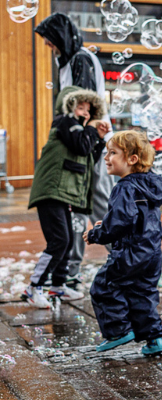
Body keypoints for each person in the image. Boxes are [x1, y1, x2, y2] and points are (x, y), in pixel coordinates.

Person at [35, 13, 113, 290]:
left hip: (88, 144)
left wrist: (86, 139)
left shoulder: (80, 59)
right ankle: (70, 270)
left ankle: (123, 258)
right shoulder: (69, 60)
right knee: (77, 203)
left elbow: (86, 106)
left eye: (49, 38)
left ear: (60, 36)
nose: (46, 44)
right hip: (81, 143)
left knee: (98, 202)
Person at [24, 87, 111, 309]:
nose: (84, 113)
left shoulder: (79, 131)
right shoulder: (63, 122)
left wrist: (99, 139)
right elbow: (81, 147)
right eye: (80, 107)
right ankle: (34, 288)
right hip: (51, 191)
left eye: (88, 110)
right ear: (69, 107)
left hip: (63, 194)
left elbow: (90, 156)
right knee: (59, 240)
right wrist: (91, 129)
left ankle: (58, 287)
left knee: (68, 240)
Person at [84, 131, 162, 355]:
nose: (107, 158)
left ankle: (118, 330)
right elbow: (135, 217)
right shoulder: (149, 185)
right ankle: (154, 339)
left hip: (129, 252)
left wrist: (96, 234)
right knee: (142, 293)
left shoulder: (124, 186)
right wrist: (110, 221)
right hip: (151, 253)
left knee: (103, 286)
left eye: (113, 153)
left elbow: (121, 221)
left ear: (131, 159)